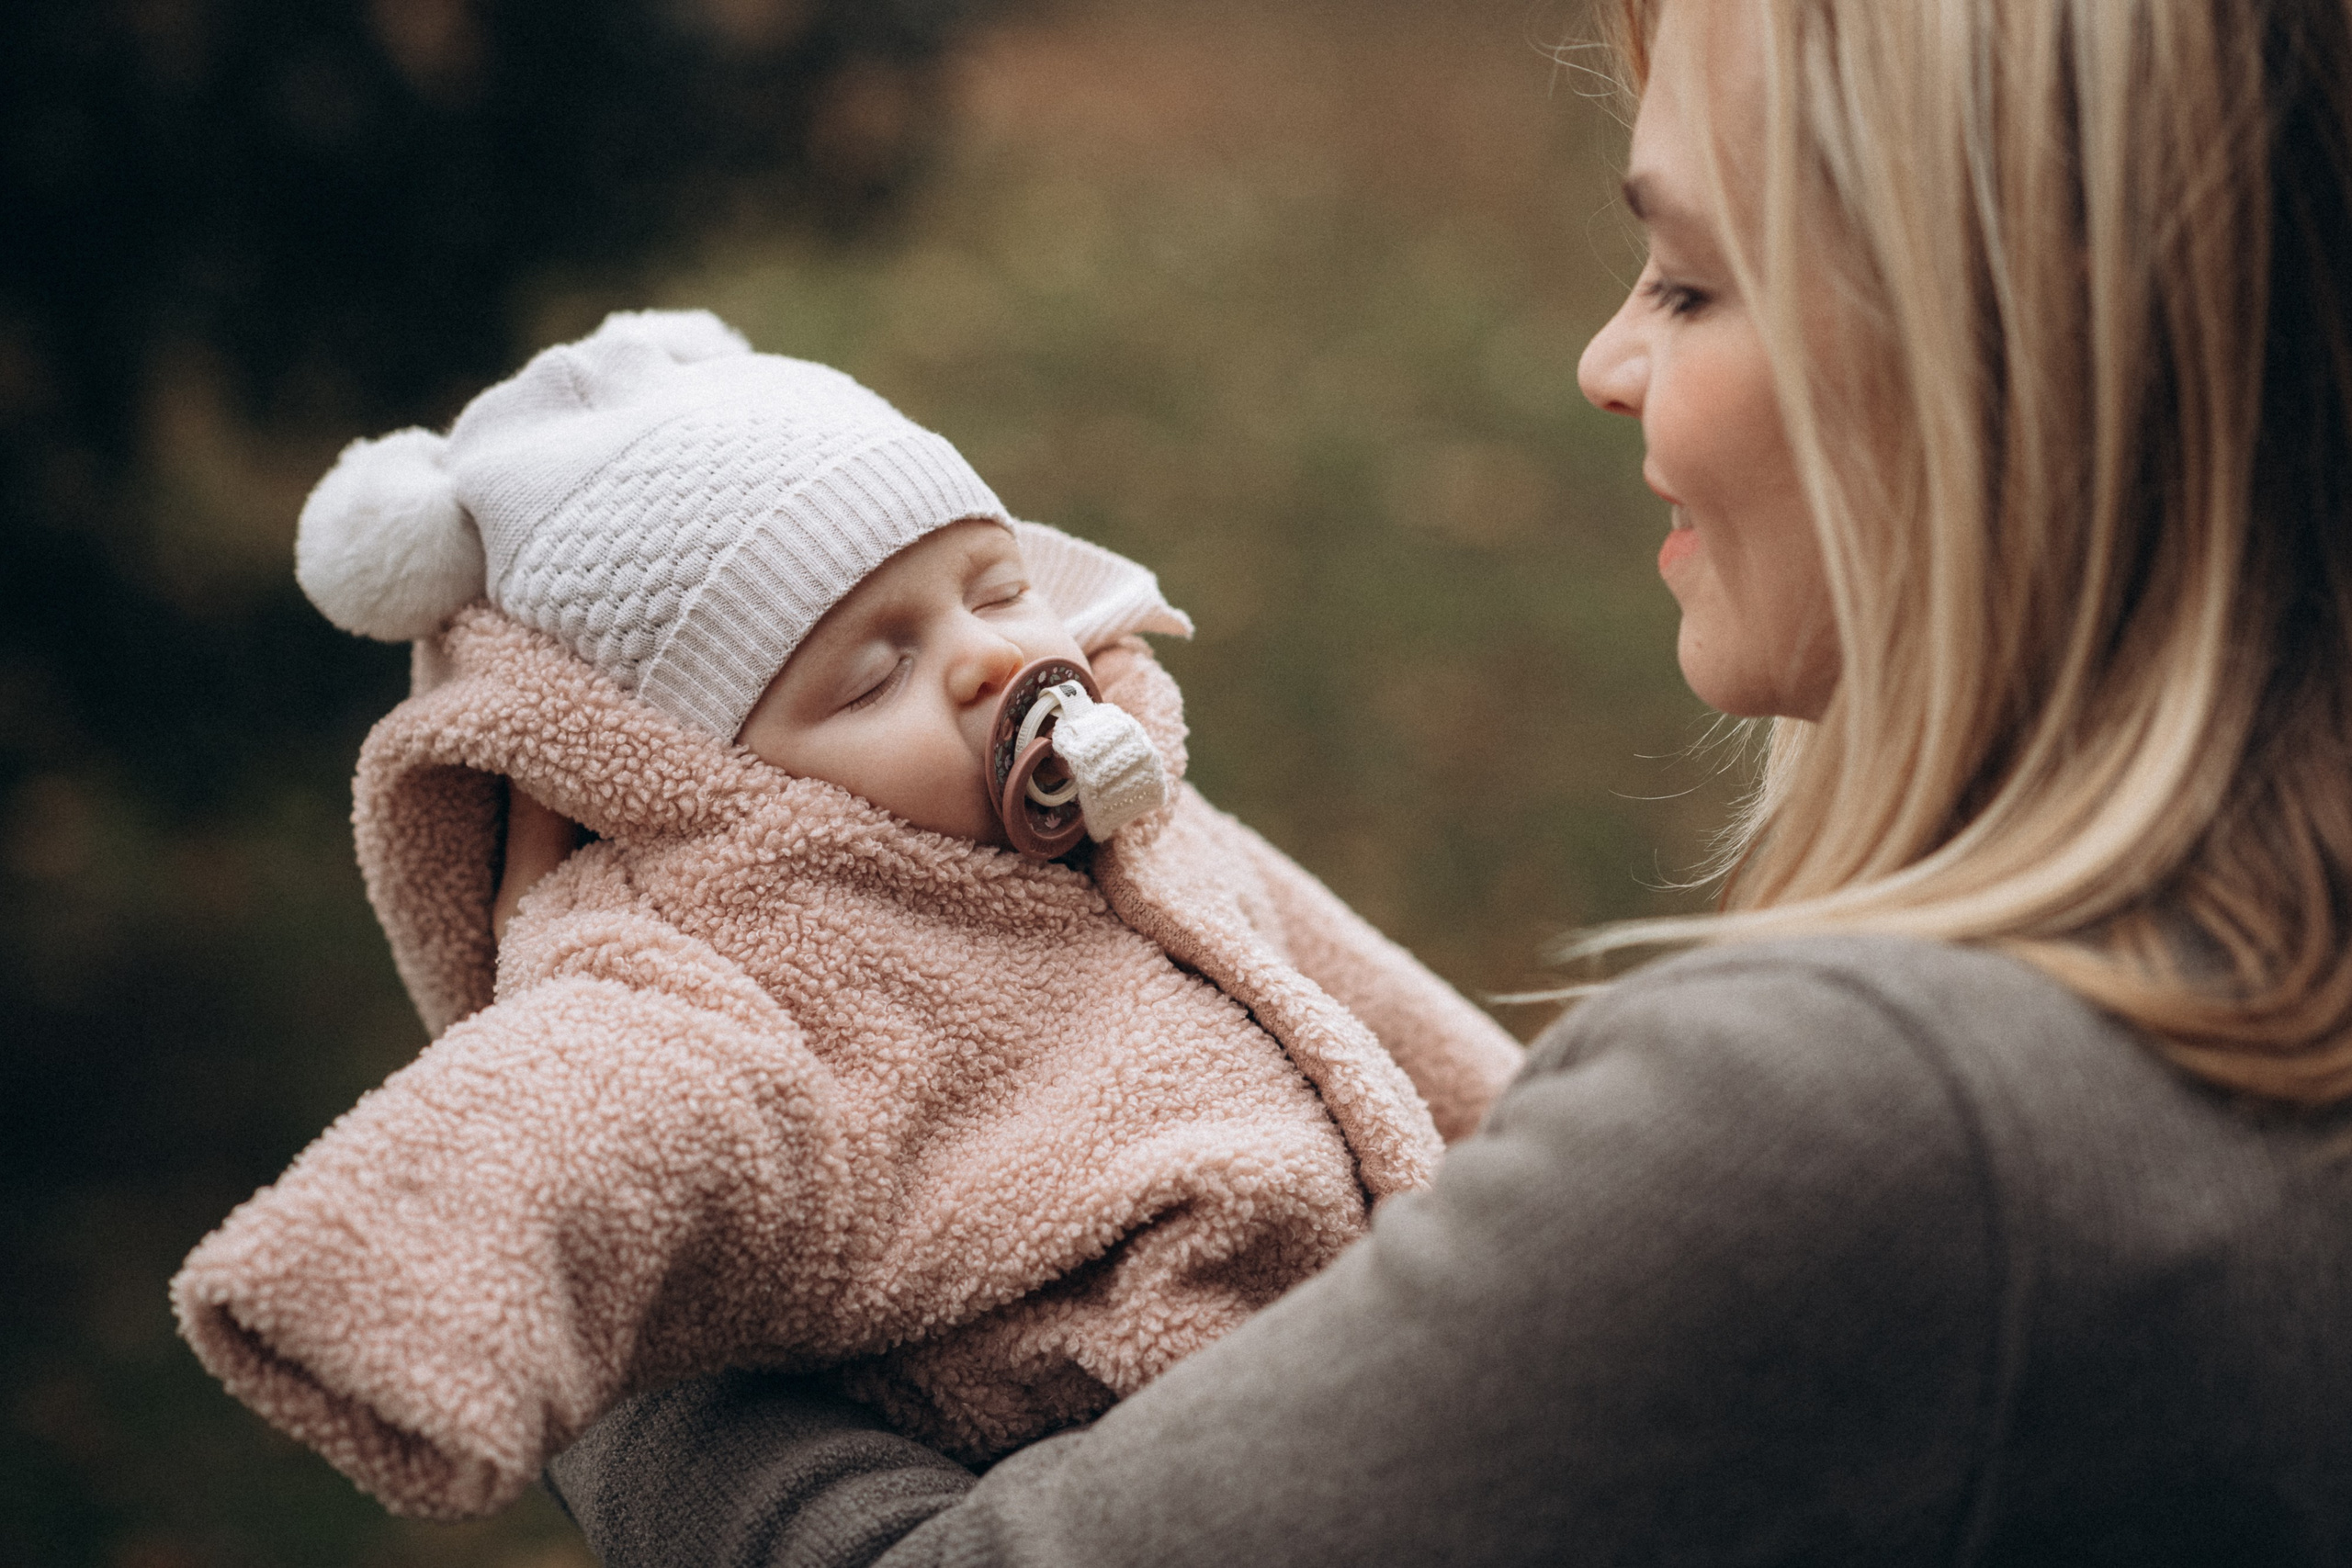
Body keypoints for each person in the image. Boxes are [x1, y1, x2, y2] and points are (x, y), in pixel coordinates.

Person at [535, 0, 2352, 1562]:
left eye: (1691, 280)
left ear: (2012, 368)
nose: (1603, 361)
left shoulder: (1875, 1120)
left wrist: (584, 1204)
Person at [168, 310, 1522, 1520]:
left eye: (995, 588)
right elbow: (577, 1114)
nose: (993, 655)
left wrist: (1514, 1138)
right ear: (704, 774)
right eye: (876, 677)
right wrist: (389, 1323)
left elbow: (1357, 994)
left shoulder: (1136, 804)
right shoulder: (728, 963)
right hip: (1144, 1459)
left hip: (1412, 1367)